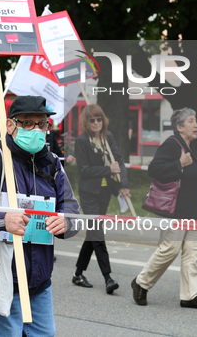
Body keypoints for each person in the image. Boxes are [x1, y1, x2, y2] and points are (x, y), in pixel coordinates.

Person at [0, 95, 79, 336]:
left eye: (42, 123)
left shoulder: (53, 163)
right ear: (10, 125)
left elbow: (72, 209)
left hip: (40, 279)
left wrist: (65, 221)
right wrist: (2, 222)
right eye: (28, 123)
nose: (36, 129)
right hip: (3, 274)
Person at [132, 108, 197, 309]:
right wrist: (179, 163)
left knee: (193, 253)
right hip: (176, 211)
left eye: (196, 121)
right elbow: (154, 169)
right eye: (191, 121)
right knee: (170, 249)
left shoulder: (191, 146)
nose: (196, 125)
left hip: (194, 212)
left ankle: (189, 295)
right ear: (179, 126)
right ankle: (141, 283)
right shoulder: (172, 144)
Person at [72, 104, 129, 294]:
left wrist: (124, 185)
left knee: (92, 233)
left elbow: (119, 161)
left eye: (99, 119)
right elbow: (84, 170)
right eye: (92, 120)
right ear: (86, 123)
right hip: (89, 193)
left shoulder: (107, 137)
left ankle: (78, 274)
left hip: (105, 192)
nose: (96, 123)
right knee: (97, 233)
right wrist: (108, 170)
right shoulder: (82, 141)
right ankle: (108, 278)